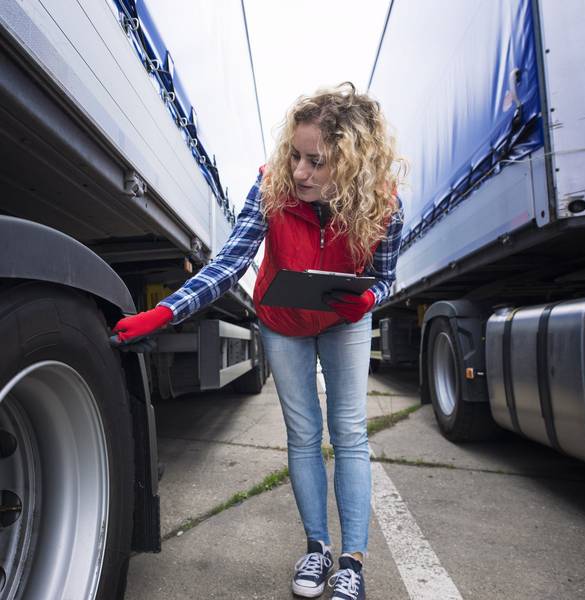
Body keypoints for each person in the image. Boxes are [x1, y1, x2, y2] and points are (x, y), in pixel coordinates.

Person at [114, 82, 405, 600]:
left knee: (349, 431)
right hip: (282, 320)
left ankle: (351, 563)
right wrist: (165, 310)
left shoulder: (384, 205)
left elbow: (387, 278)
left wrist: (369, 300)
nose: (299, 172)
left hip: (343, 321)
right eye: (295, 155)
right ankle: (316, 547)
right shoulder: (272, 186)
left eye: (316, 162)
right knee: (302, 433)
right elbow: (230, 262)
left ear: (352, 160)